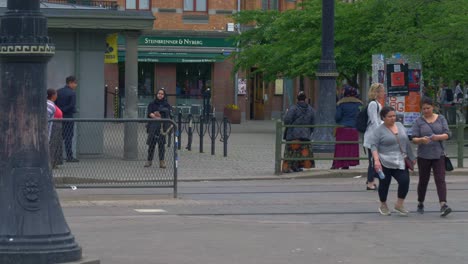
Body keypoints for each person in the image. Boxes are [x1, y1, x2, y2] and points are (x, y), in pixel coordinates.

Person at [370, 106, 416, 216]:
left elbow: (406, 142)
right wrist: (376, 161)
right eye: (389, 116)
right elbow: (373, 146)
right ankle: (383, 204)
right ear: (383, 117)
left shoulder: (400, 126)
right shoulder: (379, 130)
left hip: (400, 159)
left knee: (405, 181)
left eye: (394, 116)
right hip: (384, 160)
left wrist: (412, 157)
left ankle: (399, 204)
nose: (393, 118)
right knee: (384, 184)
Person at [411, 98, 452, 216]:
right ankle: (420, 201)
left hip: (439, 154)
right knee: (423, 180)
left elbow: (448, 134)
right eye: (423, 109)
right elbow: (414, 138)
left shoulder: (441, 118)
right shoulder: (419, 121)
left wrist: (438, 137)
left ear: (433, 107)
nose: (426, 111)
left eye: (428, 108)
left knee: (440, 179)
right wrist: (421, 140)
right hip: (424, 155)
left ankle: (443, 204)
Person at [282, 91, 315, 173]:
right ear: (305, 99)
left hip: (293, 135)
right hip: (305, 135)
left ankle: (288, 167)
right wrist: (309, 132)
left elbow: (287, 120)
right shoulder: (311, 109)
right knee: (301, 152)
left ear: (297, 99)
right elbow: (313, 123)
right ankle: (297, 166)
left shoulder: (293, 108)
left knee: (291, 152)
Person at [331, 85, 362, 169]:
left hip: (343, 128)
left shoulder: (341, 103)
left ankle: (338, 164)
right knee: (350, 147)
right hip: (354, 128)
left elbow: (337, 117)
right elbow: (360, 116)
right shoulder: (359, 104)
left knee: (341, 147)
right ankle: (348, 163)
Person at [363, 83, 385, 190]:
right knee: (373, 160)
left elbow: (378, 120)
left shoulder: (376, 103)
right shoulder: (373, 104)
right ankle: (370, 182)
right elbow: (374, 121)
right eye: (381, 91)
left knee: (374, 160)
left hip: (373, 135)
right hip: (372, 137)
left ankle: (371, 180)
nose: (383, 93)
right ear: (376, 92)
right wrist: (380, 133)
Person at [145, 88, 172, 168]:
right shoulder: (152, 103)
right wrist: (156, 116)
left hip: (162, 128)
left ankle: (162, 162)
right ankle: (149, 161)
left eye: (162, 94)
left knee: (161, 145)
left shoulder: (166, 104)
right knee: (151, 145)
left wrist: (160, 115)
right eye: (159, 93)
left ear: (164, 95)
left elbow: (168, 114)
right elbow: (149, 113)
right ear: (156, 94)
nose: (160, 95)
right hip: (153, 127)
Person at [56, 76, 79, 162]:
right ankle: (69, 156)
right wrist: (65, 110)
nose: (76, 85)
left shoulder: (58, 91)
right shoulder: (72, 93)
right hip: (68, 117)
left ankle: (57, 156)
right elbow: (71, 105)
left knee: (59, 136)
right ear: (70, 83)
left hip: (58, 118)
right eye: (75, 83)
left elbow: (55, 105)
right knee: (68, 137)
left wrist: (60, 111)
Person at [47, 89, 64, 169]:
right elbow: (47, 116)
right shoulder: (49, 104)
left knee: (56, 145)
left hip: (56, 125)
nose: (57, 95)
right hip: (54, 126)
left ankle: (53, 162)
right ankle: (50, 162)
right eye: (56, 94)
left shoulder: (51, 104)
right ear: (53, 95)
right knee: (52, 145)